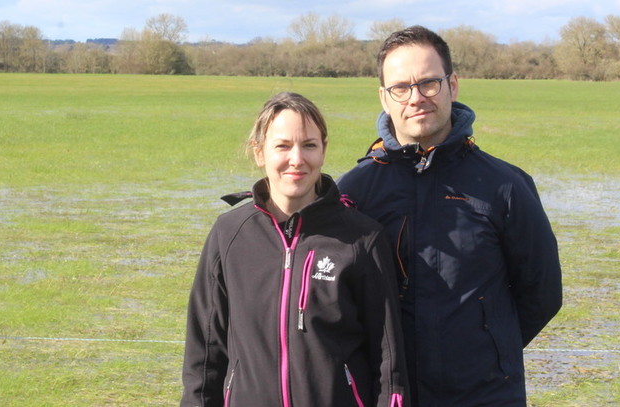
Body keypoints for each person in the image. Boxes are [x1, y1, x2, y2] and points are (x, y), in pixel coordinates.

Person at [337, 26, 563, 406]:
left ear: (452, 85)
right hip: (391, 395)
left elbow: (542, 293)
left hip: (486, 394)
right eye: (401, 88)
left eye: (429, 83)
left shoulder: (505, 186)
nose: (416, 98)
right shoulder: (356, 191)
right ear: (384, 97)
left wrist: (489, 347)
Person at [181, 92, 407, 407]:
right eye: (283, 146)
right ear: (259, 152)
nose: (297, 159)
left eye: (309, 145)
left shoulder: (362, 238)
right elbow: (204, 352)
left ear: (324, 150)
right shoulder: (229, 234)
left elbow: (389, 359)